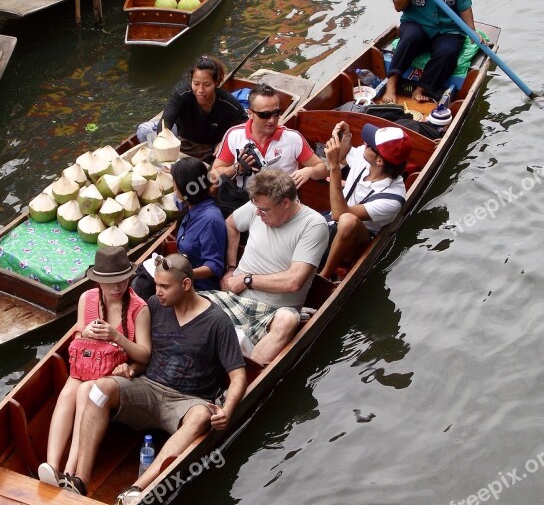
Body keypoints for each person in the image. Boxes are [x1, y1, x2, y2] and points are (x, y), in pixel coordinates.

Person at [60, 254, 246, 503]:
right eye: (156, 285)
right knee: (98, 389)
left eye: (164, 286)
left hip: (187, 400)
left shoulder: (217, 322)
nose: (157, 292)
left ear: (186, 285)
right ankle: (79, 480)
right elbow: (141, 353)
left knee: (202, 415)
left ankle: (137, 489)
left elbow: (238, 376)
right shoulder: (155, 306)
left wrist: (228, 409)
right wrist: (130, 369)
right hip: (147, 388)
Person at [37, 247, 152, 489]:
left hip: (114, 375)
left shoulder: (139, 308)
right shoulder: (87, 299)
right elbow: (78, 334)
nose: (116, 287)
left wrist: (117, 337)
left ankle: (70, 470)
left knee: (83, 392)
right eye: (109, 282)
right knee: (68, 391)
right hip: (87, 367)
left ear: (129, 276)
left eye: (121, 280)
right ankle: (51, 466)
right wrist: (84, 332)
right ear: (98, 280)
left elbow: (144, 354)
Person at [201, 170, 329, 364]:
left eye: (264, 210)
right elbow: (231, 225)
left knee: (287, 320)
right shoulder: (258, 206)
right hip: (234, 298)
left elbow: (294, 281)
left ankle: (246, 375)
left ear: (285, 203)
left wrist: (247, 280)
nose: (258, 214)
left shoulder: (313, 224)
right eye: (256, 208)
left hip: (272, 313)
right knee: (185, 299)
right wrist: (230, 268)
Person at [382, 0, 476, 104]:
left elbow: (464, 4)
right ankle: (391, 83)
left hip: (448, 28)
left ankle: (421, 88)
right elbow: (398, 6)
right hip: (416, 23)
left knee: (448, 52)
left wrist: (472, 33)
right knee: (410, 37)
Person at [319, 121, 411, 280]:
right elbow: (343, 156)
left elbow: (340, 215)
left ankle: (324, 276)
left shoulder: (394, 198)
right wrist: (344, 138)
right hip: (331, 222)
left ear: (380, 161)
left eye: (369, 145)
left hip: (355, 240)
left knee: (348, 221)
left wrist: (333, 167)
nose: (364, 144)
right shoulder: (367, 157)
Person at [132, 157, 227, 298]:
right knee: (140, 280)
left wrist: (181, 273)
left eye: (175, 182)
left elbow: (215, 266)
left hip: (197, 286)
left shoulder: (210, 220)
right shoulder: (189, 205)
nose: (173, 185)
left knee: (142, 287)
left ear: (183, 186)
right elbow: (180, 196)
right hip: (179, 274)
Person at [210, 83, 328, 190]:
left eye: (276, 113)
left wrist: (309, 171)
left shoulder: (293, 139)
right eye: (264, 115)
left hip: (284, 204)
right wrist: (237, 168)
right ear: (250, 114)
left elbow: (322, 169)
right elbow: (214, 176)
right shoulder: (234, 136)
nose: (272, 120)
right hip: (245, 202)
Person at [160, 55, 247, 160]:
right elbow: (165, 122)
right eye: (196, 83)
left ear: (216, 83)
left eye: (207, 84)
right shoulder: (182, 95)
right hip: (183, 143)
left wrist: (226, 141)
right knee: (144, 131)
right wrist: (164, 141)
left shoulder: (229, 104)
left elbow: (246, 126)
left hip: (212, 148)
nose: (200, 90)